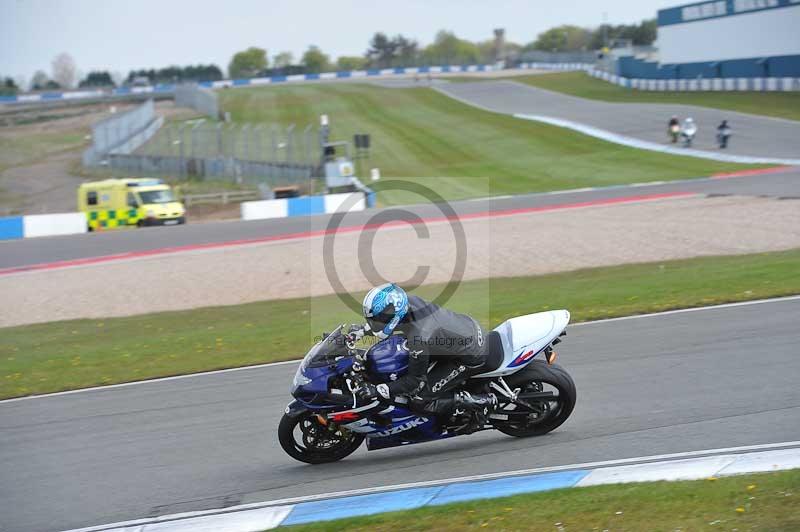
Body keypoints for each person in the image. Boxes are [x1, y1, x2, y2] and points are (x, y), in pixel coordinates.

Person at [350, 283, 497, 427]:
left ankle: (480, 403)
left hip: (470, 354)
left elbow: (414, 381)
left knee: (419, 401)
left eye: (377, 319)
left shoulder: (419, 337)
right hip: (465, 329)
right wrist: (362, 331)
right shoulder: (408, 302)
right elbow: (386, 321)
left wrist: (379, 390)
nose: (375, 322)